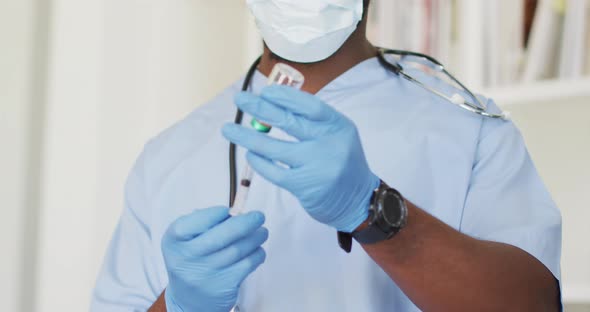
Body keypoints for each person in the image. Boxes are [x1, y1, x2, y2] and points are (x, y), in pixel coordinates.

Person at [91, 0, 562, 311]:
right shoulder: (170, 155)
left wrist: (373, 210)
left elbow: (533, 305)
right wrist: (180, 304)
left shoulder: (469, 128)